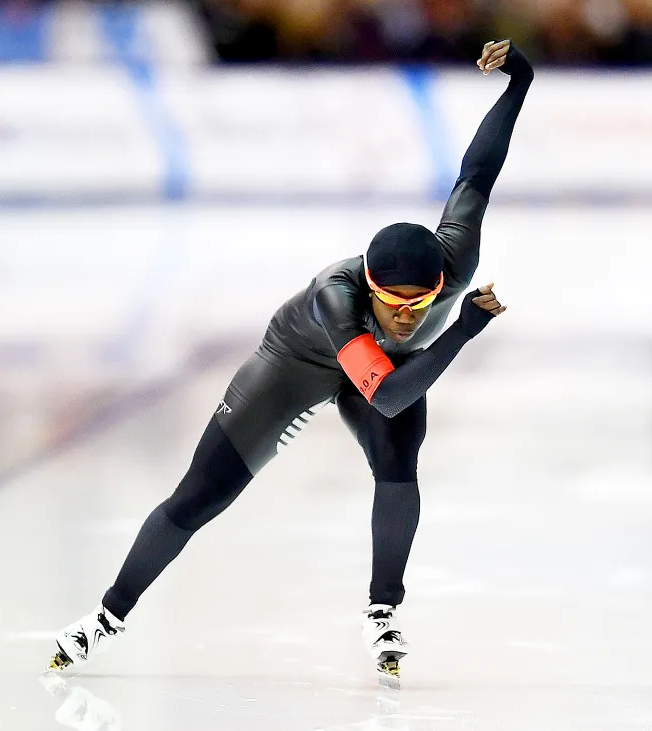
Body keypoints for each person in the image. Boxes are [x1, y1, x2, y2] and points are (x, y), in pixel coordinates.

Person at [48, 39, 534, 680]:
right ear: (370, 284)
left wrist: (518, 80)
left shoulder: (456, 254)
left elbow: (476, 174)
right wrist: (463, 328)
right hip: (295, 363)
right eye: (396, 303)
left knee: (398, 469)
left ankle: (382, 610)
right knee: (199, 498)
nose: (410, 314)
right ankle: (107, 616)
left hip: (383, 372)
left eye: (426, 304)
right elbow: (386, 393)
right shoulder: (339, 299)